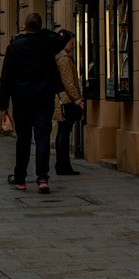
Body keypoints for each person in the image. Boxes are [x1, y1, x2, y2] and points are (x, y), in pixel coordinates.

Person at [0, 13, 69, 193]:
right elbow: (64, 37)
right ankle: (43, 178)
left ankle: (20, 178)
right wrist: (44, 31)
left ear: (24, 26)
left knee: (23, 139)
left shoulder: (15, 46)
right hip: (44, 99)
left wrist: (3, 103)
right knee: (42, 138)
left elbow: (6, 76)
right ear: (40, 26)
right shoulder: (48, 43)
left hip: (21, 100)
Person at [54, 31, 84, 176]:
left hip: (62, 99)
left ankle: (61, 164)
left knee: (62, 132)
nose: (73, 45)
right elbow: (68, 82)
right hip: (65, 100)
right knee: (64, 133)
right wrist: (77, 99)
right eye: (71, 42)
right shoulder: (64, 58)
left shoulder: (59, 56)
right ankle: (63, 165)